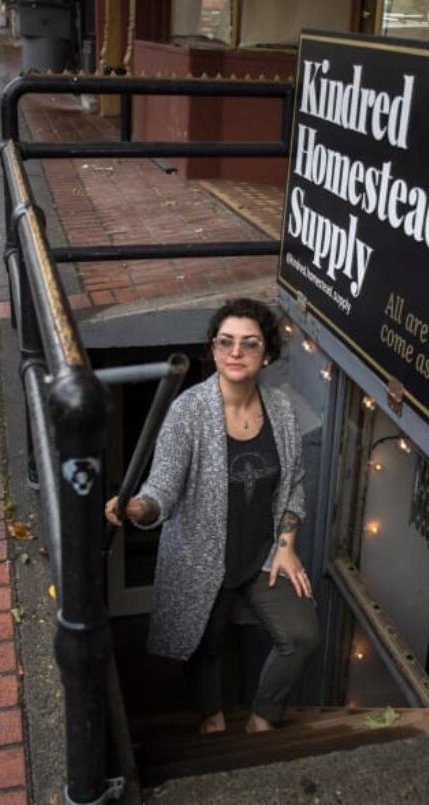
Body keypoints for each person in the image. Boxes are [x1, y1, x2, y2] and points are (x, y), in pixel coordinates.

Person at [105, 298, 318, 734]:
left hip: (262, 553)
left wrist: (286, 546)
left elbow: (293, 485)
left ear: (268, 354)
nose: (236, 352)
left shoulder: (281, 409)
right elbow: (161, 487)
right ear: (214, 349)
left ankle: (262, 719)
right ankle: (211, 717)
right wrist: (136, 508)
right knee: (205, 645)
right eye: (226, 342)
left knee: (301, 636)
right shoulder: (188, 411)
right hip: (202, 556)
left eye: (249, 344)